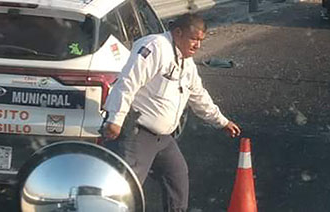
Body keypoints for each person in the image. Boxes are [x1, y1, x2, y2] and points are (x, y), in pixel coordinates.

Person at [102, 13, 241, 212]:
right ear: (178, 33)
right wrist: (115, 118)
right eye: (194, 39)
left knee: (177, 179)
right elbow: (127, 82)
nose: (197, 46)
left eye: (201, 41)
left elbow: (198, 96)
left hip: (163, 139)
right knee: (125, 192)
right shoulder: (155, 47)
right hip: (137, 134)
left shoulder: (186, 63)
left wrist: (222, 122)